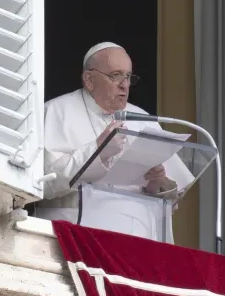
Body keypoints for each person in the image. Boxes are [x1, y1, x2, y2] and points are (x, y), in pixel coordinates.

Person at [35, 42, 190, 243]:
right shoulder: (55, 112)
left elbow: (171, 199)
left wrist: (159, 184)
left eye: (128, 76)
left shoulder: (143, 119)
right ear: (89, 79)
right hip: (76, 237)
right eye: (115, 75)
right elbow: (43, 183)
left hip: (139, 240)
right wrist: (97, 152)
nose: (124, 85)